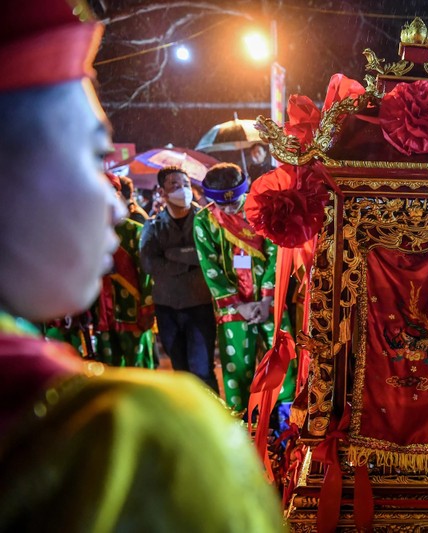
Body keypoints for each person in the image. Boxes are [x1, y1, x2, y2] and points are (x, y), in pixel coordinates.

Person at [0, 2, 284, 531]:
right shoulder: (142, 437)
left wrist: (264, 297)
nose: (115, 205)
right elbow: (190, 263)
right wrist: (237, 302)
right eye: (93, 155)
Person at [193, 163, 296, 413]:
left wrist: (265, 300)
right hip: (233, 306)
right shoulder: (204, 221)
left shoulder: (261, 211)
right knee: (236, 367)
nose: (230, 208)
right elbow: (210, 268)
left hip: (268, 301)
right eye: (222, 205)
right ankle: (241, 425)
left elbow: (276, 252)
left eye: (235, 201)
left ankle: (285, 421)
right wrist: (240, 305)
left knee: (282, 359)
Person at [139, 166, 219, 392]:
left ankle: (214, 422)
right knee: (181, 372)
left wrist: (172, 255)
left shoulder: (207, 220)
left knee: (202, 370)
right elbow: (149, 264)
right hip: (167, 308)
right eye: (174, 185)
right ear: (162, 192)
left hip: (199, 305)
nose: (181, 189)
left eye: (185, 184)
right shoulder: (153, 225)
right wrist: (190, 259)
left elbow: (210, 256)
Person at [90, 172, 156, 368]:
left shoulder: (134, 230)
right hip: (100, 314)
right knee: (108, 369)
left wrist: (148, 307)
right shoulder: (87, 232)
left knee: (139, 368)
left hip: (132, 312)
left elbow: (147, 273)